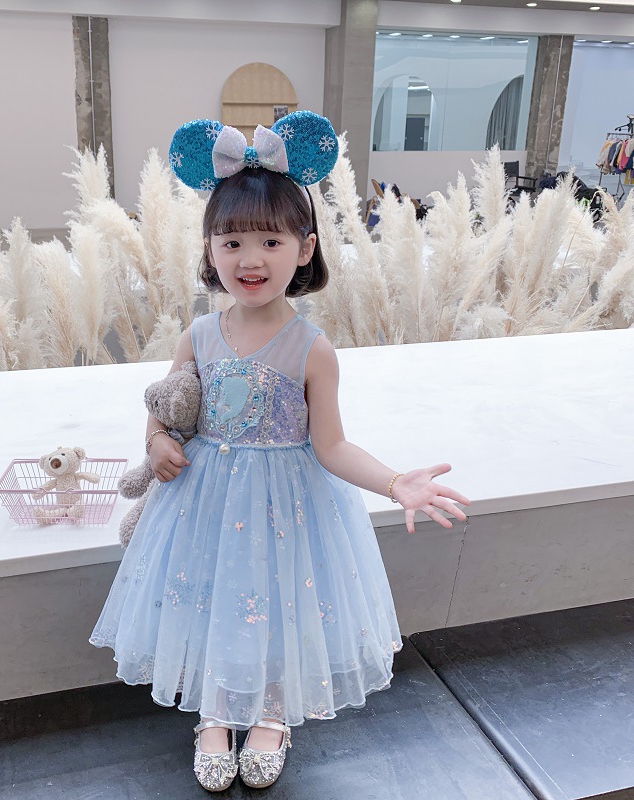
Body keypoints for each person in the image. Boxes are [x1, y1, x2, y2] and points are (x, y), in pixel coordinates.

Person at [90, 112, 470, 792]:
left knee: (270, 604)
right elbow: (165, 410)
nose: (250, 258)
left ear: (304, 248)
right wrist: (157, 443)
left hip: (286, 508)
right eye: (232, 241)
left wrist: (395, 484)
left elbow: (332, 445)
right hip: (203, 502)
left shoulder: (312, 350)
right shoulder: (198, 336)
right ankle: (213, 711)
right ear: (210, 249)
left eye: (271, 240)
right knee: (209, 602)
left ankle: (269, 710)